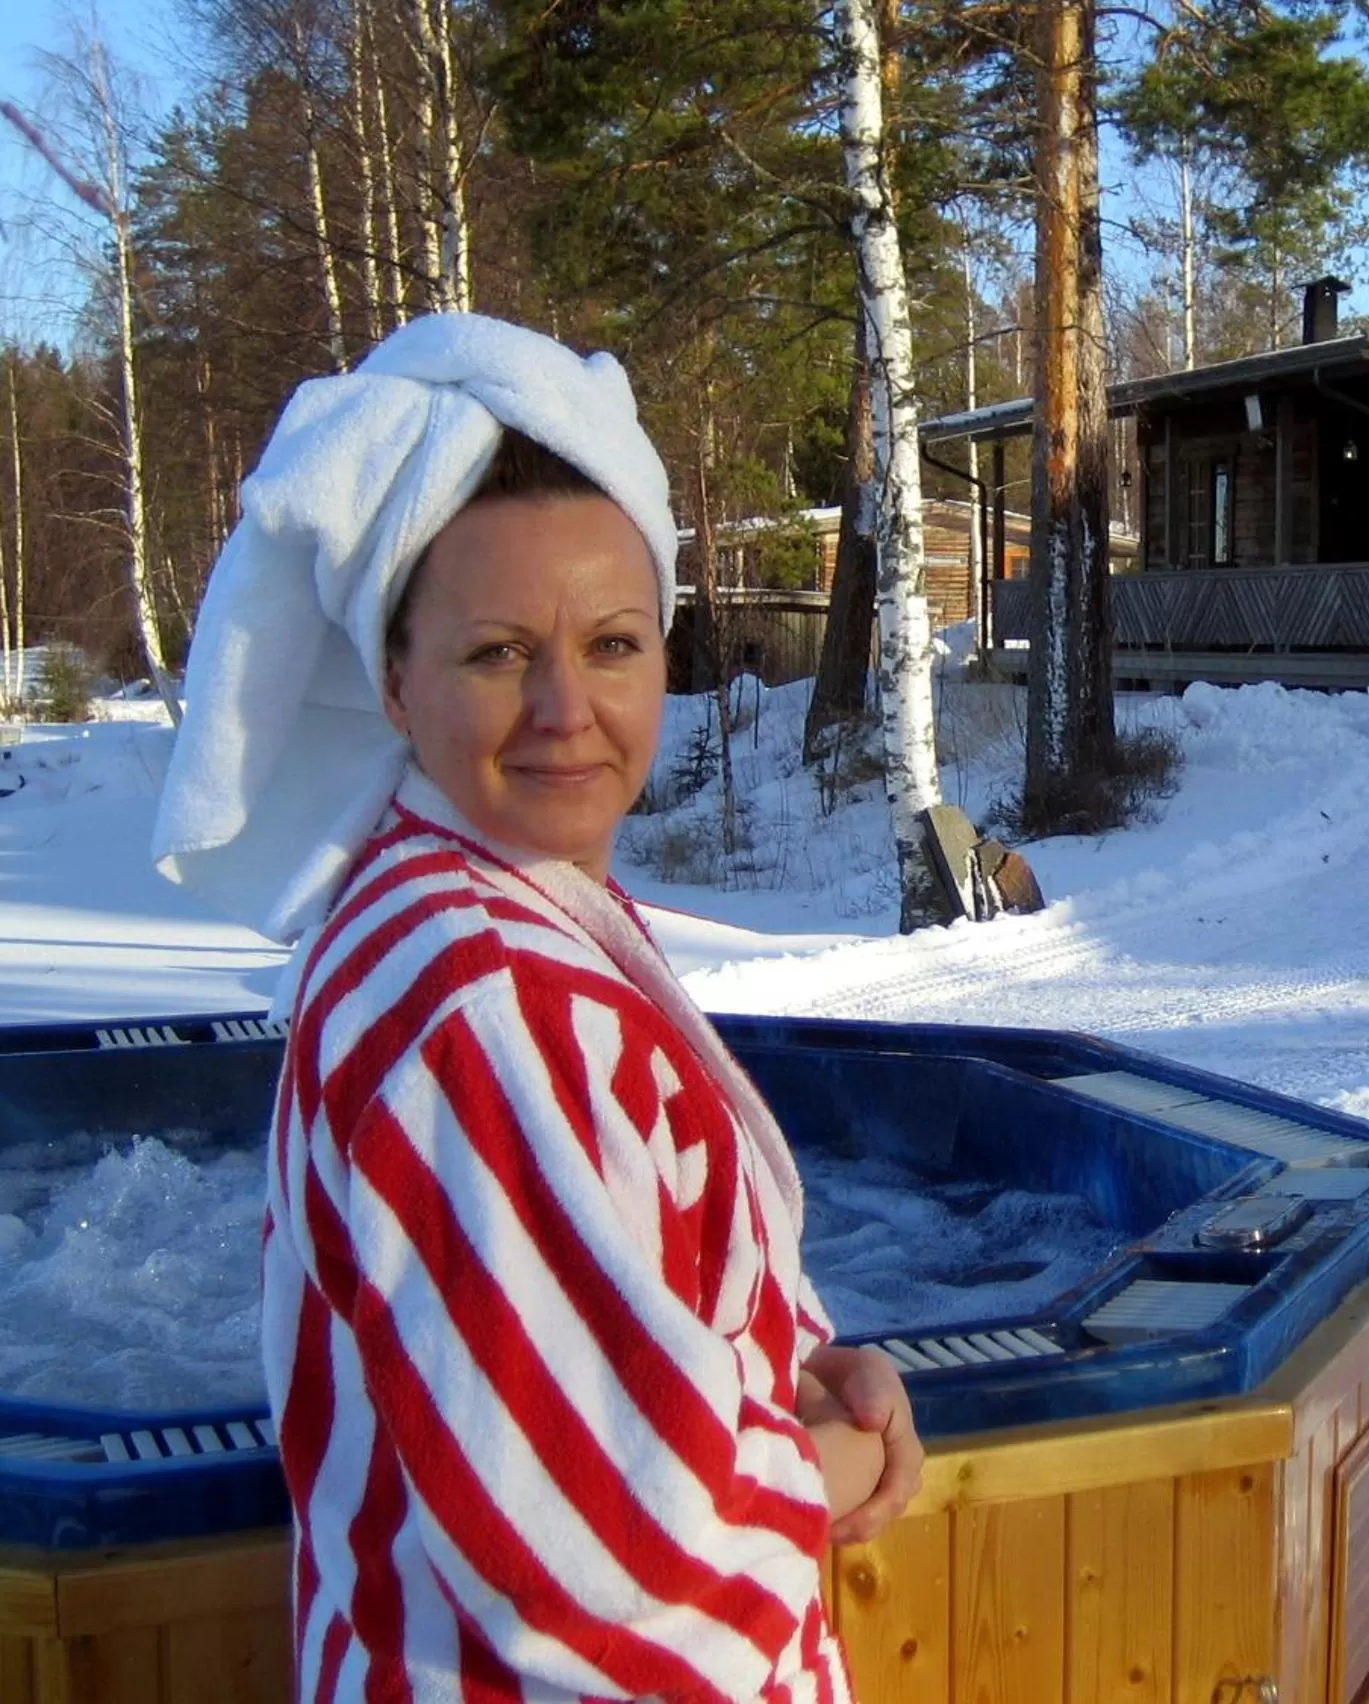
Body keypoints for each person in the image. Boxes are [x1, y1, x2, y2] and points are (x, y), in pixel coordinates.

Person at [151, 314, 919, 1701]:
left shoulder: (507, 908)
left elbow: (644, 1291)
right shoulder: (466, 987)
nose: (569, 707)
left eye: (614, 643)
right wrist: (841, 1464)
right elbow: (625, 1557)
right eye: (500, 652)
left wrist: (810, 1367)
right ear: (395, 680)